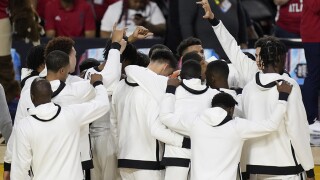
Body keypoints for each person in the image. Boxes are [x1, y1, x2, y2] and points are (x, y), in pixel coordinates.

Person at [198, 1, 315, 179]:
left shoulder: (251, 84)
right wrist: (308, 166)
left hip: (253, 166)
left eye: (260, 55)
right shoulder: (286, 84)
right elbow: (297, 130)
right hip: (285, 167)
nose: (258, 59)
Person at [11, 77, 109, 179]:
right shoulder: (71, 115)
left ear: (32, 97)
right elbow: (103, 105)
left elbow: (19, 170)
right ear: (52, 93)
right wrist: (98, 84)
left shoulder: (24, 126)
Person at [111, 50, 189, 180]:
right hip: (148, 162)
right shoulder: (155, 90)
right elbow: (156, 129)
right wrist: (185, 142)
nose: (167, 78)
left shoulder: (119, 86)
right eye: (168, 74)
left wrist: (120, 152)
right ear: (165, 66)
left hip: (124, 159)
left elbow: (113, 126)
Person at [190, 87, 291, 180]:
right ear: (231, 109)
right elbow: (271, 125)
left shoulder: (195, 123)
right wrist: (283, 97)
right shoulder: (238, 127)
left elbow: (173, 120)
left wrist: (172, 89)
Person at [158, 60, 220, 180]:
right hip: (203, 153)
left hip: (176, 154)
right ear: (201, 75)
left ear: (181, 75)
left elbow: (164, 117)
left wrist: (170, 88)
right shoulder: (213, 94)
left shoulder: (171, 91)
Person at [178, 0, 248, 59]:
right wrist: (192, 51)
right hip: (207, 53)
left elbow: (241, 16)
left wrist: (243, 41)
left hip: (233, 51)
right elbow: (186, 24)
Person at [301, 0, 320, 133]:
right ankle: (310, 119)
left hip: (314, 34)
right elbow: (315, 6)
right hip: (314, 35)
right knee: (314, 75)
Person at [100, 0, 166, 38]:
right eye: (135, 1)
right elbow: (104, 32)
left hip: (146, 46)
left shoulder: (152, 6)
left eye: (141, 2)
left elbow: (162, 28)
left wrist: (145, 24)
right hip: (120, 46)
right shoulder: (113, 8)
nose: (138, 4)